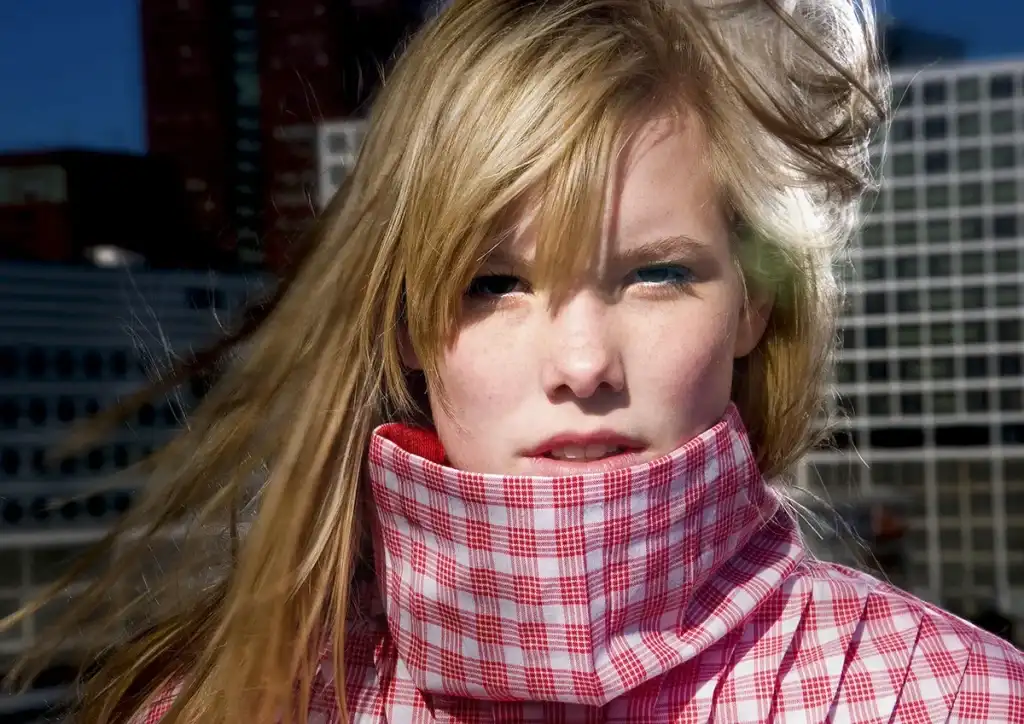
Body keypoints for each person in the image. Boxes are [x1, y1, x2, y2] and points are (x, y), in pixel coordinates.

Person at [9, 0, 1024, 722]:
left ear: (755, 302)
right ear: (404, 319)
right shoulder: (216, 707)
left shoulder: (957, 701)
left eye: (656, 273)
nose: (583, 363)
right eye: (490, 285)